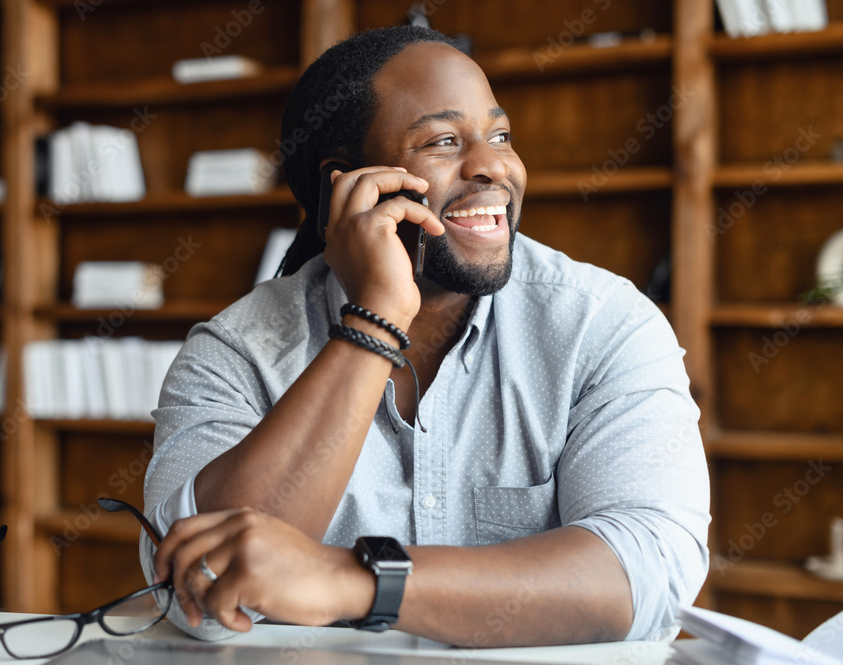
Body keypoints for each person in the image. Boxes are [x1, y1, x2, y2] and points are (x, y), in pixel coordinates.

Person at [140, 25, 710, 648]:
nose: (494, 166)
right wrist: (374, 320)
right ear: (345, 184)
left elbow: (650, 576)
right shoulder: (236, 353)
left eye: (500, 136)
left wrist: (352, 581)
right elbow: (200, 586)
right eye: (443, 141)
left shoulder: (601, 324)